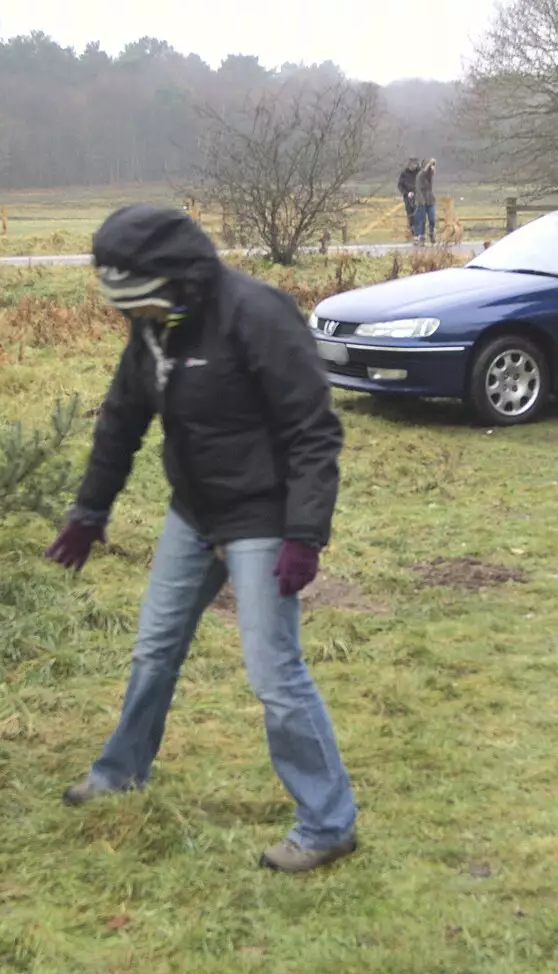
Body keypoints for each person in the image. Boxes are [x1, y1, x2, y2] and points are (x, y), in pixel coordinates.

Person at [45, 204, 359, 874]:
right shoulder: (157, 331)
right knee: (154, 648)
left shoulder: (256, 315)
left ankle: (328, 823)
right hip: (193, 513)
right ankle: (120, 772)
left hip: (262, 519)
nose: (137, 317)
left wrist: (304, 533)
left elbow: (313, 430)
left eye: (143, 303)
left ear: (174, 278)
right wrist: (89, 509)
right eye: (129, 308)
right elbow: (122, 420)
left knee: (275, 675)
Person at [414, 158, 437, 246]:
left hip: (430, 199)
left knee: (432, 218)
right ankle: (422, 237)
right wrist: (430, 163)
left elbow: (432, 170)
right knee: (422, 220)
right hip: (421, 200)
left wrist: (433, 163)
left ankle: (431, 233)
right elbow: (425, 171)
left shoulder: (429, 176)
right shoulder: (420, 175)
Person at [397, 157, 420, 240]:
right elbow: (400, 185)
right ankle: (413, 233)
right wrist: (406, 193)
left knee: (419, 214)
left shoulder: (420, 172)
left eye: (415, 164)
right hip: (408, 197)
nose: (413, 165)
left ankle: (419, 233)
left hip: (418, 196)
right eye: (412, 164)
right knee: (410, 215)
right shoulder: (404, 173)